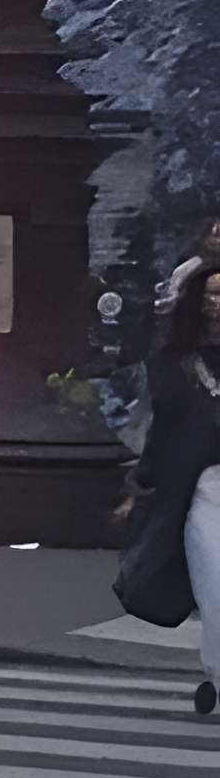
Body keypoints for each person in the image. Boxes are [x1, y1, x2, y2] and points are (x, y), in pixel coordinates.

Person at [147, 262, 220, 715]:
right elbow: (166, 429)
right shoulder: (176, 362)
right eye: (211, 294)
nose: (218, 303)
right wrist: (145, 481)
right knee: (216, 588)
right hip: (205, 489)